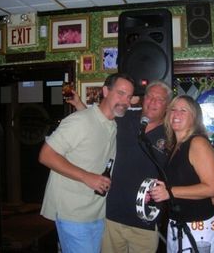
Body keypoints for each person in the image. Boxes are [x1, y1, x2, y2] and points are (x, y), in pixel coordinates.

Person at [69, 80, 172, 253]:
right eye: (149, 96)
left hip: (144, 220)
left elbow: (179, 170)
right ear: (142, 98)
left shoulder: (170, 134)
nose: (152, 102)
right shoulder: (126, 118)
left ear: (167, 104)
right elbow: (97, 123)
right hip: (112, 216)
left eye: (159, 99)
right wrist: (79, 104)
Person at [39, 73, 134, 253]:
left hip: (97, 211)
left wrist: (80, 105)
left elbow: (94, 123)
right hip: (73, 213)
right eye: (120, 93)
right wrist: (86, 177)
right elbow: (46, 155)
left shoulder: (111, 123)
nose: (125, 101)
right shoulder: (78, 121)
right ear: (105, 91)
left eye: (129, 96)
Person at [150, 95, 214, 253]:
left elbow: (212, 188)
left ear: (194, 118)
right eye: (173, 109)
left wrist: (169, 192)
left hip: (198, 226)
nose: (176, 114)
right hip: (177, 224)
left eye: (183, 110)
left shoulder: (198, 143)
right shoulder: (175, 146)